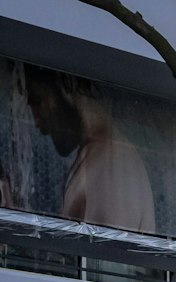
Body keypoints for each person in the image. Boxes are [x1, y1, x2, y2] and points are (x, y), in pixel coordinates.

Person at [21, 65, 157, 233]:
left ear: (65, 84)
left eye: (37, 101)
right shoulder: (103, 155)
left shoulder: (111, 163)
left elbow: (106, 255)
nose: (37, 123)